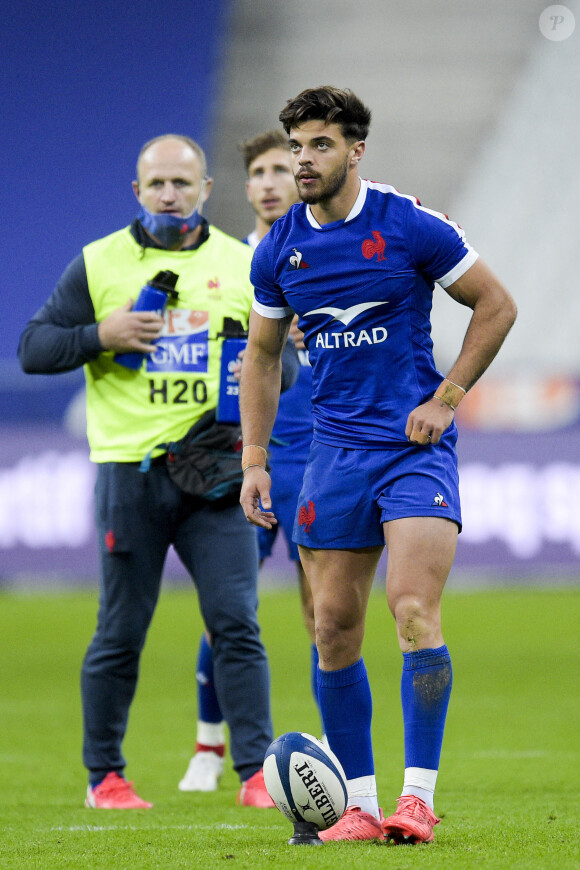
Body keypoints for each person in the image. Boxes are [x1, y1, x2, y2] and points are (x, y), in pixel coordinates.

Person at [239, 87, 517, 844]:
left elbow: (495, 304)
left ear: (355, 150)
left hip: (412, 450)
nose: (303, 160)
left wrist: (449, 396)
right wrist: (255, 457)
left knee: (412, 609)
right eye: (296, 146)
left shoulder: (407, 223)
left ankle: (417, 799)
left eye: (319, 145)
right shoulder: (278, 248)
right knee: (331, 626)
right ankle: (359, 806)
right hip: (332, 455)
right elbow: (261, 357)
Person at [18, 134, 299, 810]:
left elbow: (281, 370)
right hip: (130, 475)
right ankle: (105, 777)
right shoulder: (98, 263)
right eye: (157, 184)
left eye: (183, 182)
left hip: (215, 475)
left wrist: (262, 367)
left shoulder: (244, 262)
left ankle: (256, 773)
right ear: (137, 193)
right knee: (120, 629)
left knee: (236, 621)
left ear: (206, 190)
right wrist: (99, 336)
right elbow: (33, 348)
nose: (169, 194)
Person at [179, 130, 320, 794]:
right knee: (231, 607)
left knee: (324, 608)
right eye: (257, 172)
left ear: (301, 178)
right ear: (246, 186)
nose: (267, 182)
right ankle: (210, 746)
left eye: (279, 170)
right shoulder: (231, 265)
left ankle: (328, 739)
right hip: (253, 453)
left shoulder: (328, 251)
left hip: (322, 451)